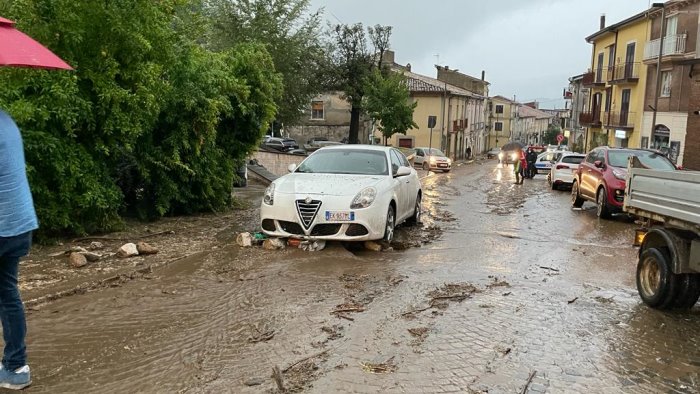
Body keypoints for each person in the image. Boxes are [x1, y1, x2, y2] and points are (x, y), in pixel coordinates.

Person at [0, 110, 37, 390]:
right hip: (18, 223)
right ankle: (16, 367)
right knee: (7, 293)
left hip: (3, 223)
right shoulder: (6, 120)